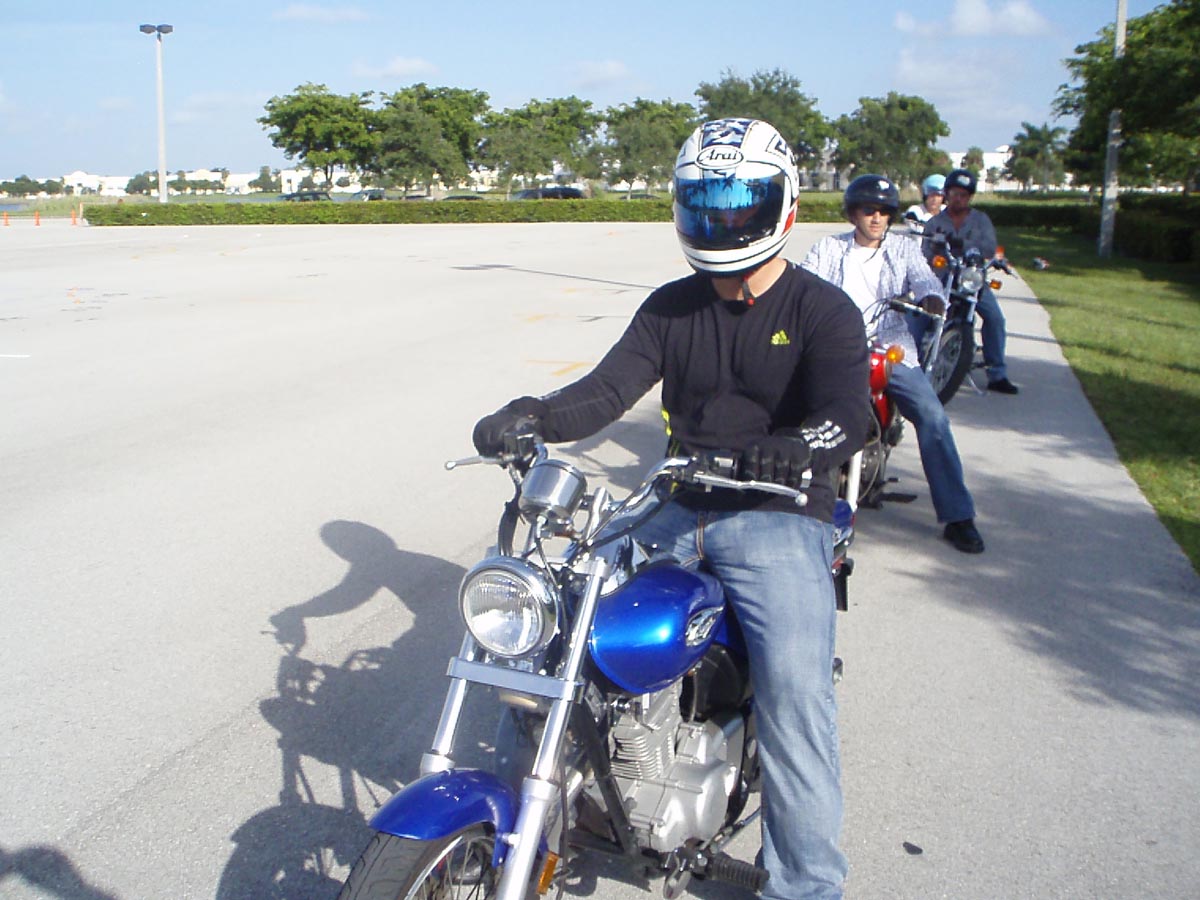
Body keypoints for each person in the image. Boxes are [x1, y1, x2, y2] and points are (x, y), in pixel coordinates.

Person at [473, 118, 869, 900]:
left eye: (739, 202)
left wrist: (795, 447)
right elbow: (605, 390)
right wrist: (532, 415)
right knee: (549, 637)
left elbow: (847, 414)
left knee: (796, 699)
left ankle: (807, 884)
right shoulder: (671, 308)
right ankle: (529, 820)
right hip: (674, 501)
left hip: (780, 510)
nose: (723, 219)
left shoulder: (823, 310)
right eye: (706, 203)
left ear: (782, 205)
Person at [802, 174, 986, 555]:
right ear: (853, 213)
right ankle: (791, 499)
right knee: (800, 406)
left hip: (890, 347)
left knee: (933, 417)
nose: (877, 218)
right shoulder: (828, 249)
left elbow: (925, 279)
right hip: (837, 346)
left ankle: (958, 515)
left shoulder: (903, 249)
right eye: (869, 210)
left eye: (885, 212)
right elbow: (803, 283)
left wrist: (931, 297)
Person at [922, 168, 1019, 394]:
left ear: (970, 197)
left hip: (971, 279)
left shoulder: (981, 220)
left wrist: (968, 247)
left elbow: (989, 248)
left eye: (964, 195)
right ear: (946, 194)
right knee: (925, 315)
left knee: (995, 319)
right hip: (945, 278)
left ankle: (997, 374)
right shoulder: (935, 222)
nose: (958, 198)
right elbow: (925, 250)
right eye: (954, 193)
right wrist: (935, 254)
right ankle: (919, 363)